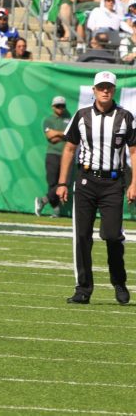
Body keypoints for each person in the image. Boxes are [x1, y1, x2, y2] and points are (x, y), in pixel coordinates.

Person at [56, 71, 135, 305]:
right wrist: (62, 182)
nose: (105, 90)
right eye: (101, 86)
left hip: (113, 183)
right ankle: (83, 289)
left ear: (114, 90)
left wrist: (134, 183)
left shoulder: (125, 117)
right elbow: (70, 149)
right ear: (94, 90)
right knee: (82, 236)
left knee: (111, 235)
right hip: (86, 181)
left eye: (109, 87)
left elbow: (133, 151)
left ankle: (119, 281)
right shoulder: (81, 116)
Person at [34, 96, 71, 218]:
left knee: (66, 181)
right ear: (53, 107)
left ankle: (43, 200)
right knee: (52, 182)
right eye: (58, 106)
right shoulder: (48, 120)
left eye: (62, 106)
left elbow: (70, 136)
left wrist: (58, 134)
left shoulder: (69, 120)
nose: (60, 108)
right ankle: (56, 210)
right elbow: (51, 137)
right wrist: (63, 134)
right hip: (52, 154)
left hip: (67, 155)